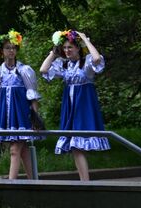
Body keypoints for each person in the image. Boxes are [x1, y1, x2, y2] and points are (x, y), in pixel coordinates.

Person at [40, 29, 108, 182]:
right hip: (70, 107)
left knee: (78, 145)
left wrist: (85, 40)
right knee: (75, 146)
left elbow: (97, 59)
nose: (66, 51)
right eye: (64, 48)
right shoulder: (65, 66)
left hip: (84, 106)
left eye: (69, 47)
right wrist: (54, 52)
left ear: (78, 48)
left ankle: (85, 182)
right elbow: (43, 70)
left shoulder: (87, 63)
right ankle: (85, 181)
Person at [0, 29, 41, 180]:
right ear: (1, 51)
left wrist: (35, 119)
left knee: (14, 150)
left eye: (13, 48)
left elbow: (32, 95)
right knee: (22, 151)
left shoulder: (24, 70)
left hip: (21, 115)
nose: (11, 51)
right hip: (6, 115)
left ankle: (11, 185)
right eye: (7, 48)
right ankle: (34, 182)